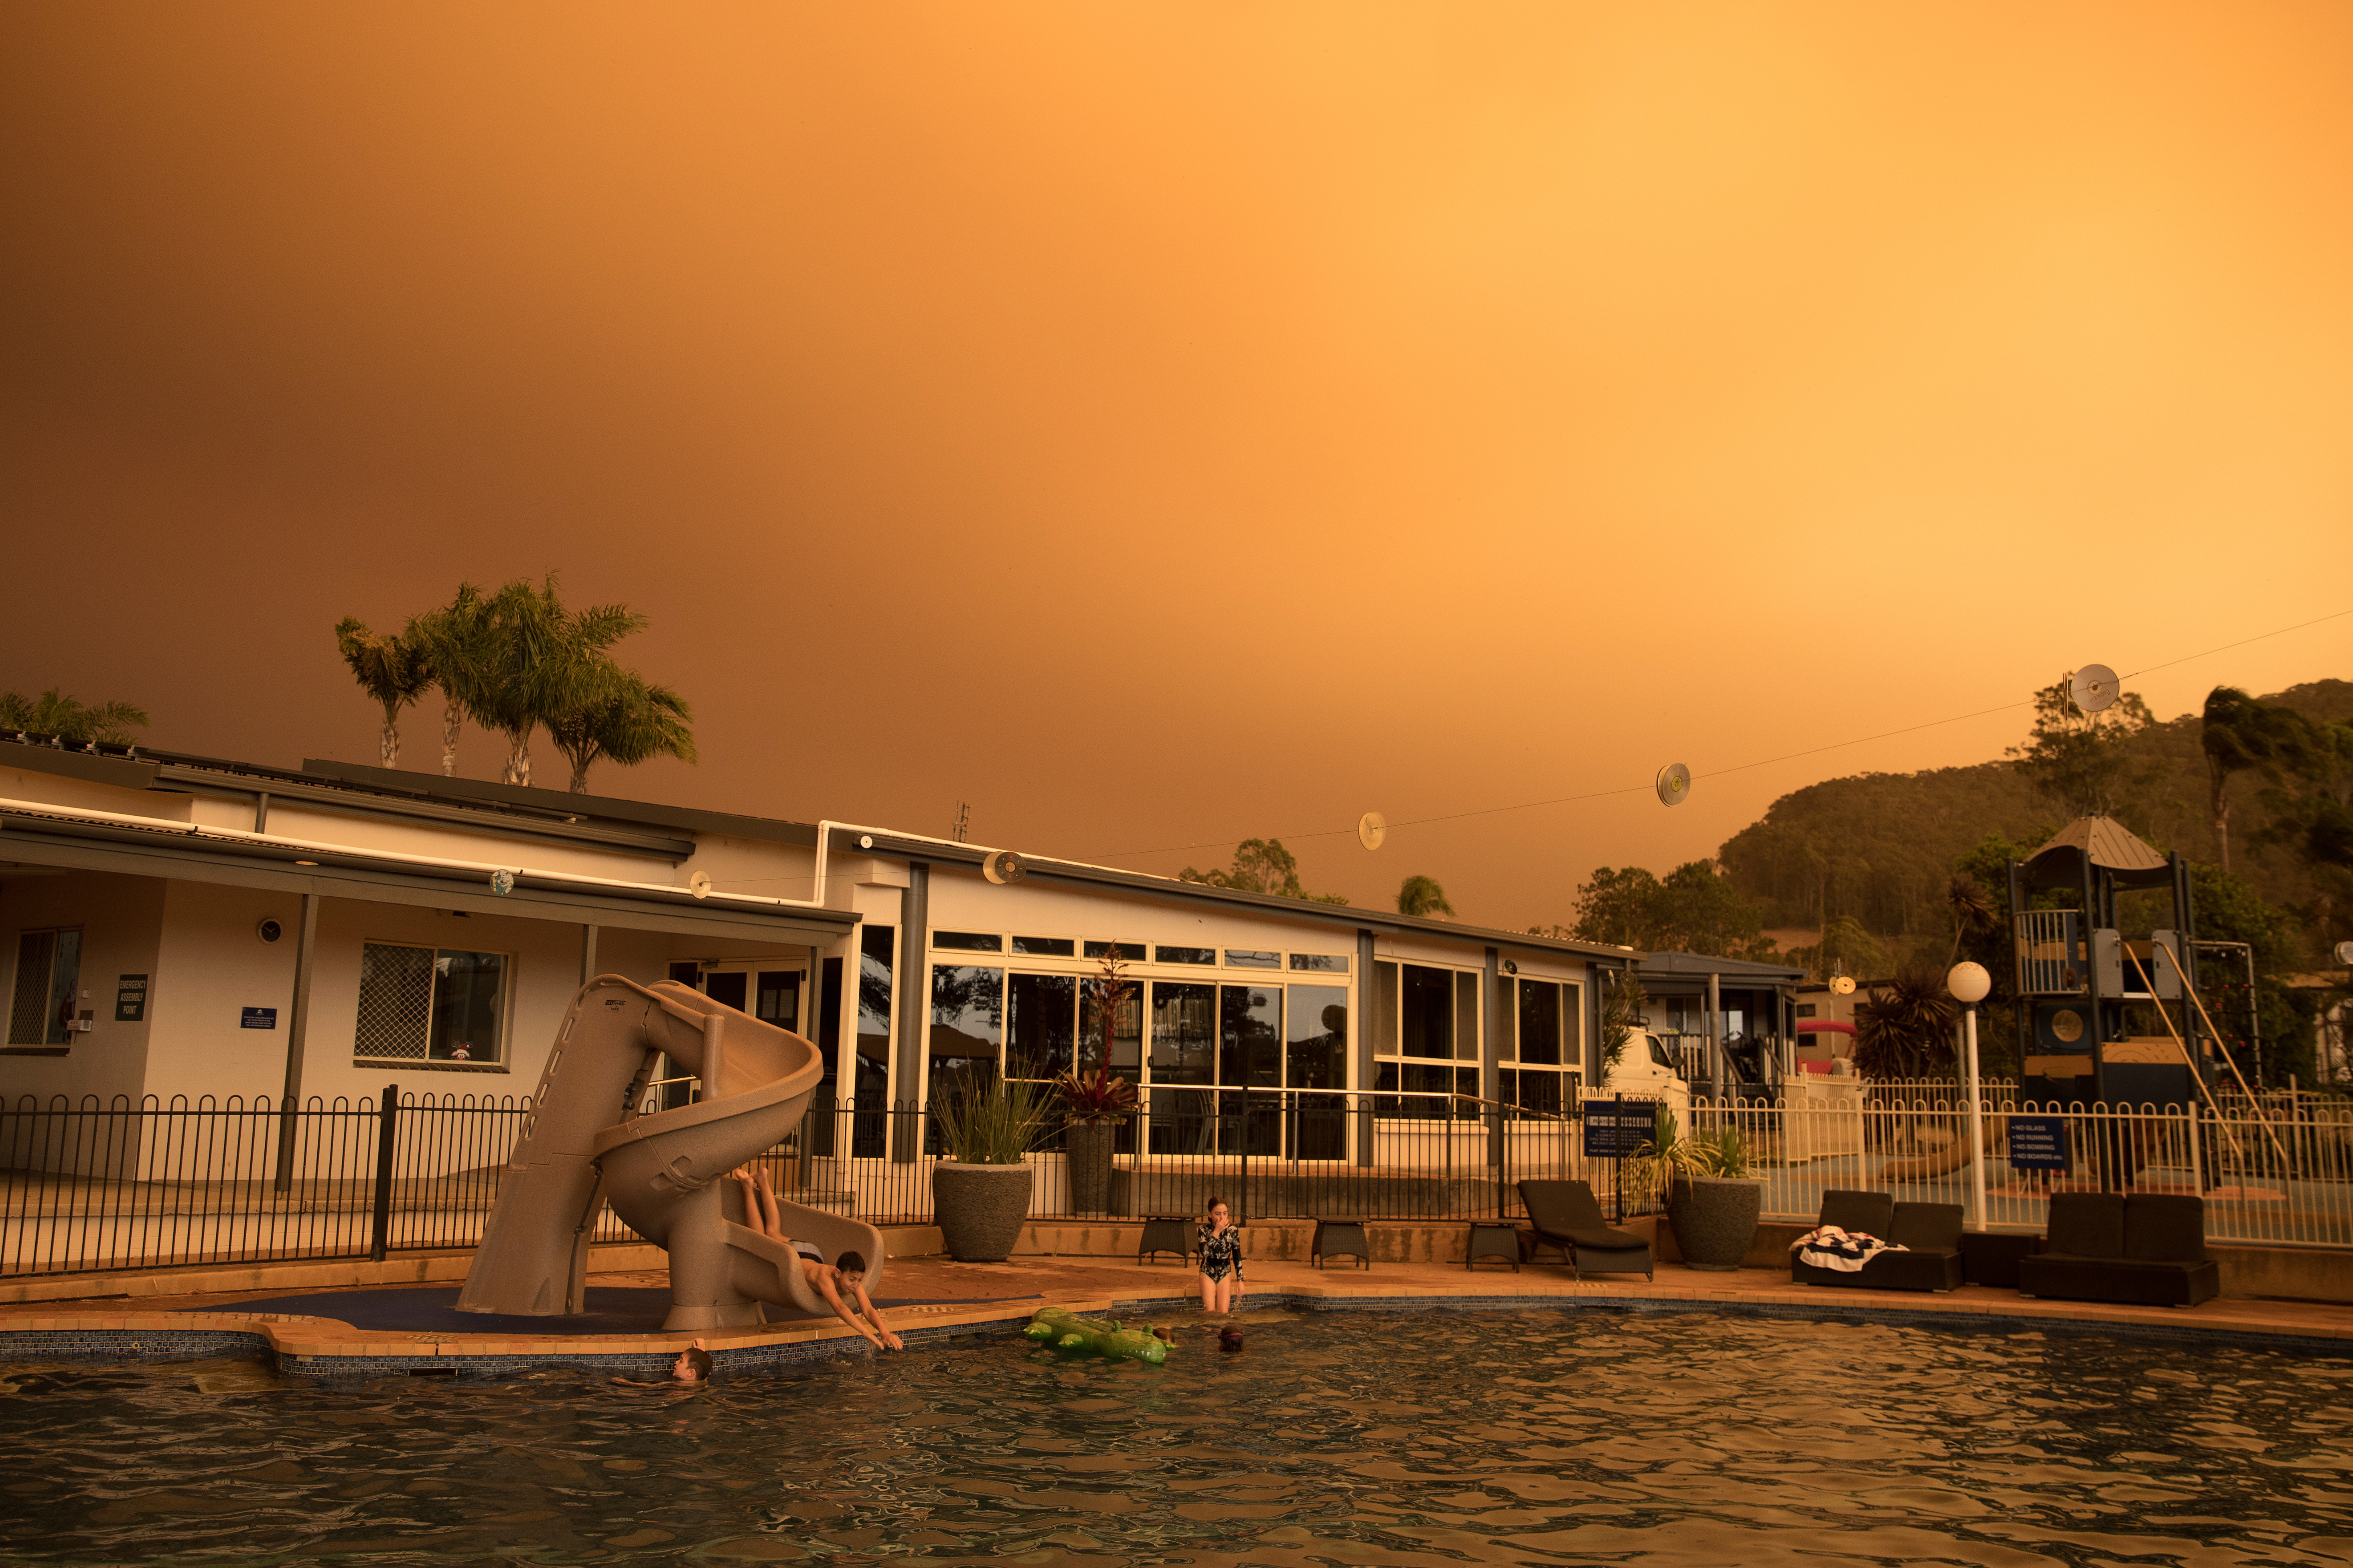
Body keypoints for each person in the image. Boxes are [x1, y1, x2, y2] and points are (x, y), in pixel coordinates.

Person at [732, 1167, 905, 1351]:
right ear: (838, 1273)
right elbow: (839, 1307)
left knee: (773, 1232)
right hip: (797, 1255)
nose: (855, 1285)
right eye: (852, 1280)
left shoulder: (852, 1278)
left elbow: (869, 1310)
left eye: (858, 1280)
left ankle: (762, 1180)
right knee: (763, 1238)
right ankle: (749, 1186)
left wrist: (884, 1332)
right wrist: (867, 1333)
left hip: (811, 1253)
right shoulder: (826, 1278)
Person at [1196, 1197, 1245, 1315]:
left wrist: (1240, 1281)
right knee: (1210, 1312)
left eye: (1225, 1213)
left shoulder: (1233, 1231)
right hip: (1208, 1271)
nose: (1222, 1217)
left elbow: (1237, 1255)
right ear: (1210, 1215)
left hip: (1225, 1271)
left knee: (1223, 1313)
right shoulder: (1204, 1230)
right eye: (1217, 1214)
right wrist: (1216, 1232)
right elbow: (1205, 1253)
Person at [615, 1338, 711, 1386]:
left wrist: (626, 1383)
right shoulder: (701, 1383)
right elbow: (704, 1373)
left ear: (691, 1373)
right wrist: (701, 1354)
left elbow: (652, 1387)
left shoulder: (680, 1387)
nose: (677, 1362)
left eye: (681, 1361)